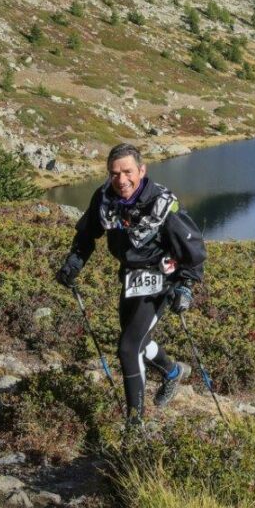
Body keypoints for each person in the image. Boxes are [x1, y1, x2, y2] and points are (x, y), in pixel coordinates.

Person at [55, 143, 206, 424]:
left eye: (127, 172)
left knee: (127, 348)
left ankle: (134, 427)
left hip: (162, 278)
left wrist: (186, 286)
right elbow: (87, 234)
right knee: (138, 340)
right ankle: (173, 372)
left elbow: (194, 250)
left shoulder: (163, 202)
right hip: (130, 277)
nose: (121, 180)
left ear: (142, 170)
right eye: (114, 173)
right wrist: (74, 263)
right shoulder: (103, 198)